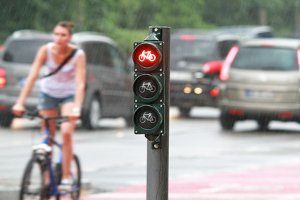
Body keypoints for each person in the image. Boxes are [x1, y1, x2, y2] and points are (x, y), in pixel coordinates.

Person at [12, 21, 86, 190]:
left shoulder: (78, 54)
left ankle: (67, 176)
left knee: (66, 132)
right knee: (48, 138)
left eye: (63, 35)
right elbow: (32, 76)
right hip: (48, 94)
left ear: (70, 37)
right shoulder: (45, 50)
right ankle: (47, 179)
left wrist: (77, 108)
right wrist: (20, 102)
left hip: (68, 95)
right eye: (56, 34)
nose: (59, 38)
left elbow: (80, 83)